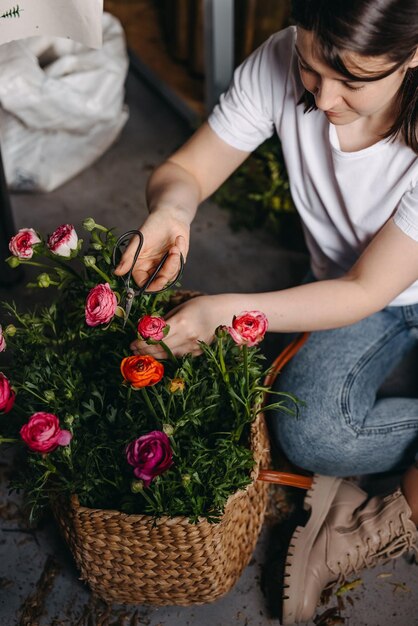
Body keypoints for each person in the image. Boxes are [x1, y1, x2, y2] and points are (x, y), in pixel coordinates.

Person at [115, 0, 418, 622]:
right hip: (350, 288)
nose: (325, 100)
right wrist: (173, 208)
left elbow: (369, 287)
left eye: (354, 81)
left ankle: (385, 516)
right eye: (313, 69)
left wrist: (221, 312)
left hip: (369, 287)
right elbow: (185, 169)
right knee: (313, 431)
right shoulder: (282, 58)